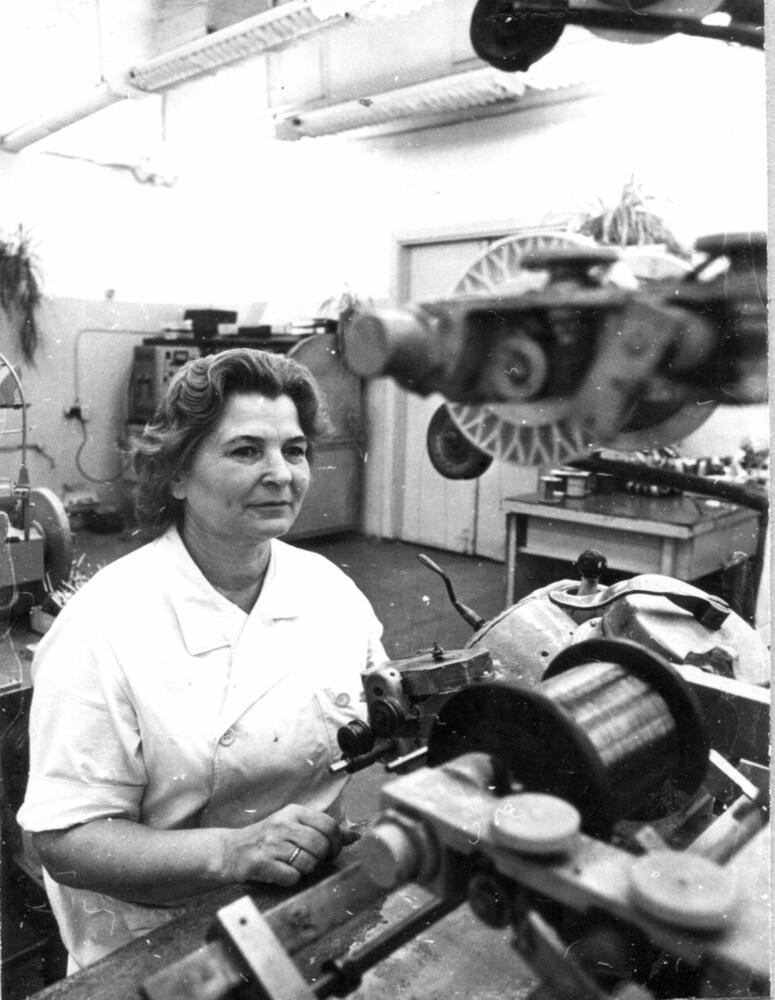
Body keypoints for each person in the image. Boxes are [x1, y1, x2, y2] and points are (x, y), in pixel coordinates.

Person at [17, 347, 387, 971]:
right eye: (246, 451)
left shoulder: (329, 590)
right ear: (178, 476)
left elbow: (387, 714)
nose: (282, 474)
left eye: (294, 450)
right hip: (159, 940)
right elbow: (63, 842)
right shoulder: (104, 624)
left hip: (305, 905)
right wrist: (233, 851)